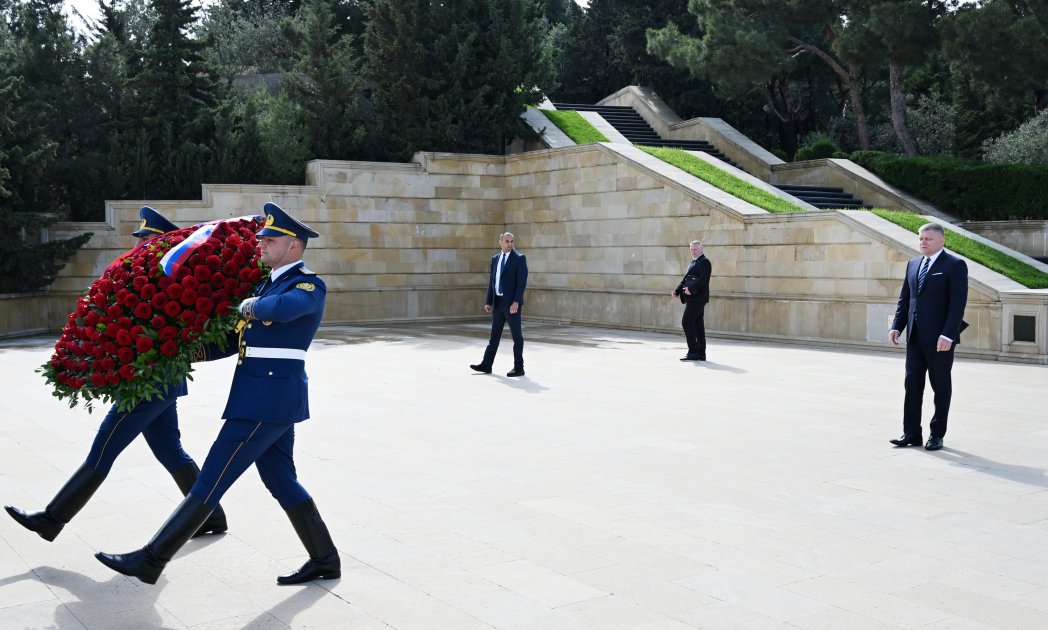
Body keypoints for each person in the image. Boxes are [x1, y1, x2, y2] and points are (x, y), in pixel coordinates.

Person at [95, 202, 340, 586]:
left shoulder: (305, 284)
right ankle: (325, 559)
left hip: (266, 401)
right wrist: (184, 351)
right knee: (280, 479)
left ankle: (152, 559)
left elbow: (285, 309)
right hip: (264, 399)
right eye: (262, 238)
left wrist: (249, 305)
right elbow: (234, 341)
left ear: (293, 246)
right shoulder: (268, 284)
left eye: (270, 240)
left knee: (212, 478)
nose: (261, 244)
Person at [5, 206, 228, 542]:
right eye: (139, 239)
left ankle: (52, 519)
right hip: (156, 384)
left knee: (103, 450)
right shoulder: (145, 279)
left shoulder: (170, 282)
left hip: (150, 384)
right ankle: (212, 517)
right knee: (170, 451)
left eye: (147, 240)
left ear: (163, 243)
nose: (139, 245)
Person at [888, 222, 968, 451]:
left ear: (941, 241)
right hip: (914, 338)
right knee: (912, 384)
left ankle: (937, 434)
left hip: (940, 340)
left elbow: (957, 304)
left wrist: (949, 335)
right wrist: (897, 326)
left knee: (940, 387)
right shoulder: (913, 264)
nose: (922, 242)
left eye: (928, 239)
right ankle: (911, 433)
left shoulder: (955, 265)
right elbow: (906, 299)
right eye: (921, 238)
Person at [471, 232, 528, 377]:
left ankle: (519, 367)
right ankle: (486, 365)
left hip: (511, 304)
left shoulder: (519, 259)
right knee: (494, 336)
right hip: (498, 303)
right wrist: (489, 301)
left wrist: (516, 302)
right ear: (500, 242)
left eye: (512, 241)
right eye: (507, 241)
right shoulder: (495, 258)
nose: (510, 244)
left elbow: (521, 283)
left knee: (517, 336)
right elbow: (492, 282)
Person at [672, 240, 712, 361]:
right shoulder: (694, 262)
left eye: (694, 249)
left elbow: (704, 280)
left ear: (701, 249)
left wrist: (691, 288)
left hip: (697, 298)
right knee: (698, 325)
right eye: (691, 249)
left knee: (686, 322)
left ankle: (693, 352)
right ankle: (701, 354)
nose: (692, 252)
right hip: (693, 298)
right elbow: (686, 279)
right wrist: (677, 291)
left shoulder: (704, 262)